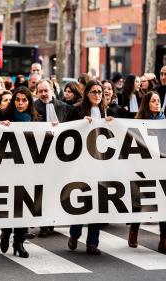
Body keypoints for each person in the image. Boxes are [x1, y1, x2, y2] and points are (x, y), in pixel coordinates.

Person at [127, 91, 166, 254]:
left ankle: (164, 239)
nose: (157, 103)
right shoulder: (139, 122)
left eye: (158, 100)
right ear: (146, 104)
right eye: (153, 101)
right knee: (140, 201)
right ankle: (134, 231)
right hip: (144, 169)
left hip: (163, 169)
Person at [66, 80, 114, 255]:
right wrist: (80, 123)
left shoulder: (107, 111)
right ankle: (74, 234)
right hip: (82, 163)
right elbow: (67, 132)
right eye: (94, 92)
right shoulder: (76, 110)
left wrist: (111, 123)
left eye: (100, 92)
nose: (97, 95)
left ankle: (92, 242)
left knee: (98, 203)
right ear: (87, 93)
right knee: (81, 201)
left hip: (101, 164)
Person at [0, 86, 38, 258]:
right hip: (8, 166)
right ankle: (6, 232)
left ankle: (19, 242)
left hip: (28, 168)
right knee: (10, 203)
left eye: (24, 100)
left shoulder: (35, 118)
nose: (20, 104)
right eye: (17, 100)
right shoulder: (3, 115)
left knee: (24, 204)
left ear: (29, 102)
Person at [34, 79, 71, 237]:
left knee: (57, 188)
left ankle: (52, 221)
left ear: (52, 90)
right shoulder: (33, 107)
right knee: (43, 190)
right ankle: (44, 224)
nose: (43, 94)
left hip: (60, 155)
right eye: (40, 91)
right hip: (40, 155)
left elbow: (74, 123)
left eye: (46, 90)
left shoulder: (63, 107)